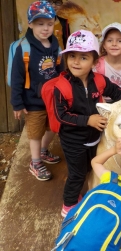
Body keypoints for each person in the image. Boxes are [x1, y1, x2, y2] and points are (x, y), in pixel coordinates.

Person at [53, 29, 121, 217]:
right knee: (77, 173)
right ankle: (68, 205)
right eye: (72, 56)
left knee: (91, 167)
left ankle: (85, 192)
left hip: (94, 137)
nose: (76, 61)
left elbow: (117, 93)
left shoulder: (99, 80)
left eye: (83, 57)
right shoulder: (61, 86)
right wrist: (88, 120)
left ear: (94, 60)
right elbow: (61, 116)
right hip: (73, 139)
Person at [11, 1, 63, 181]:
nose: (45, 28)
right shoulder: (24, 48)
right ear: (30, 24)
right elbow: (17, 77)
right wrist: (17, 103)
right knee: (35, 132)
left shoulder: (55, 45)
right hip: (32, 100)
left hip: (52, 98)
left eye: (49, 23)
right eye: (40, 23)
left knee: (53, 127)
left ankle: (43, 151)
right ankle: (35, 162)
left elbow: (60, 70)